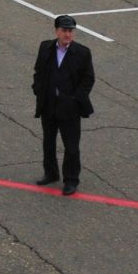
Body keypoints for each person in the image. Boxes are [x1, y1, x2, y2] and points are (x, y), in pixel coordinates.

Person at [33, 14, 96, 196]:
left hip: (70, 108)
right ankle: (51, 173)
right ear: (56, 31)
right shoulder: (45, 47)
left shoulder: (83, 52)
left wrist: (75, 99)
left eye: (71, 31)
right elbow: (38, 71)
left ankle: (71, 180)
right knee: (48, 142)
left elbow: (88, 79)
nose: (68, 34)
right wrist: (38, 90)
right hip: (49, 105)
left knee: (71, 147)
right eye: (64, 31)